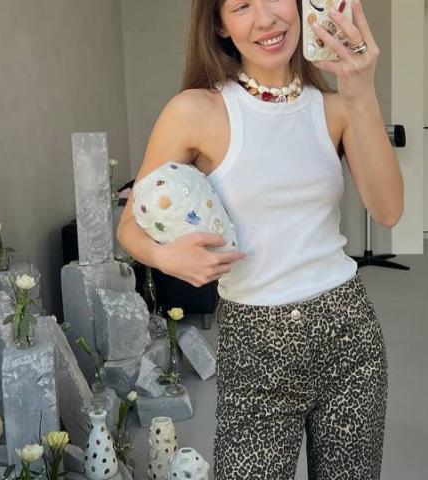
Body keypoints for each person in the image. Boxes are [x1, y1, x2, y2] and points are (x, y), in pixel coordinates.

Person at [117, 0, 403, 477]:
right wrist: (166, 258)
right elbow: (130, 224)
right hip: (254, 344)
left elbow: (389, 210)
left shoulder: (336, 108)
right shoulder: (195, 111)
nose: (266, 18)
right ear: (220, 24)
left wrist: (362, 91)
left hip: (349, 334)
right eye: (242, 5)